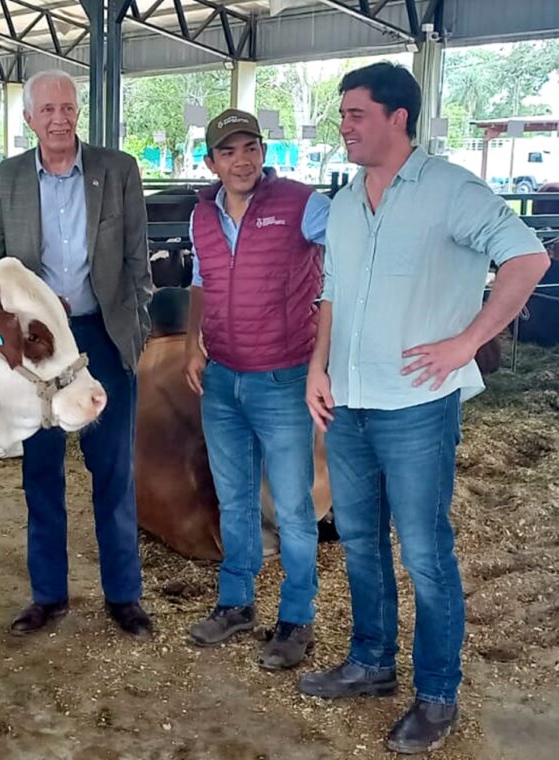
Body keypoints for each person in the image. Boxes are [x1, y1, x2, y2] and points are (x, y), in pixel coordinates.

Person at [299, 62, 550, 754]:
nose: (344, 127)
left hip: (415, 406)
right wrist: (318, 366)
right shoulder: (345, 202)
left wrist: (468, 341)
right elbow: (332, 293)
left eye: (355, 114)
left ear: (398, 118)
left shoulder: (450, 190)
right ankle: (371, 662)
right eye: (342, 115)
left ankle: (438, 693)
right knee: (359, 542)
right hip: (346, 402)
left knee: (425, 553)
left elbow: (528, 258)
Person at [0, 69, 154, 641]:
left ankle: (124, 595)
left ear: (79, 111)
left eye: (67, 107)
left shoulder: (117, 170)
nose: (59, 118)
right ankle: (48, 595)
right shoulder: (5, 179)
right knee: (41, 470)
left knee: (114, 467)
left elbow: (138, 259)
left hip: (101, 334)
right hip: (39, 349)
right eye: (47, 110)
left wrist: (135, 331)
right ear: (29, 118)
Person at [183, 109, 330, 670]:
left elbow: (348, 258)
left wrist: (323, 355)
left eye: (251, 148)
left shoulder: (303, 204)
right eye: (228, 152)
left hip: (282, 376)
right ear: (211, 163)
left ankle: (296, 617)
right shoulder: (202, 215)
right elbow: (199, 280)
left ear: (264, 153)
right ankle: (236, 603)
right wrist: (193, 344)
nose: (241, 160)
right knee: (235, 498)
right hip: (222, 378)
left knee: (292, 506)